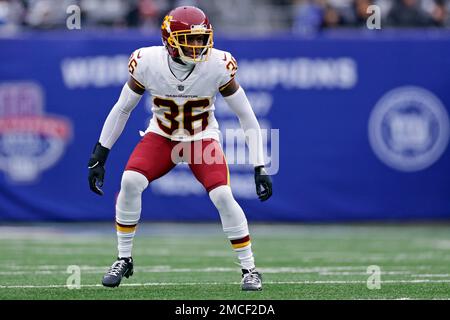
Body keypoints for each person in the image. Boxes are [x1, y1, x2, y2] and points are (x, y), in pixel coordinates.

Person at [88, 6, 272, 291]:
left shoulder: (219, 64)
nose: (198, 45)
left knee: (223, 195)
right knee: (130, 181)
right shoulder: (147, 61)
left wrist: (260, 165)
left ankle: (250, 268)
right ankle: (124, 258)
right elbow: (122, 108)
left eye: (202, 39)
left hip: (201, 139)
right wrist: (100, 154)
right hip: (162, 136)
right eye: (190, 38)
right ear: (169, 39)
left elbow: (246, 115)